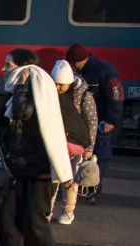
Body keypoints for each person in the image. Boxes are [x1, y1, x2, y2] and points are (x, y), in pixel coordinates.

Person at [0, 49, 73, 246]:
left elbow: (23, 113)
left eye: (8, 65)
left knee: (34, 219)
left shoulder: (40, 94)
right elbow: (7, 124)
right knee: (7, 218)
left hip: (39, 170)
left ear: (22, 69)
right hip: (17, 169)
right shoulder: (13, 96)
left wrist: (21, 88)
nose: (3, 70)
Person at [66, 43, 123, 205]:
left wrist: (111, 120)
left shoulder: (105, 71)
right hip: (84, 124)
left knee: (100, 159)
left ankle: (93, 191)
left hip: (102, 123)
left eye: (72, 63)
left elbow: (116, 96)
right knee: (83, 156)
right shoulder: (81, 72)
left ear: (78, 60)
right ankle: (82, 187)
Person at [51, 59, 97, 225]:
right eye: (55, 83)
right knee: (53, 179)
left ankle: (68, 211)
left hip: (75, 143)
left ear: (69, 82)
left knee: (71, 179)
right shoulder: (51, 93)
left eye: (61, 84)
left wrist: (89, 148)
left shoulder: (83, 94)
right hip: (56, 142)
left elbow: (92, 121)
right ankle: (46, 211)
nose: (57, 88)